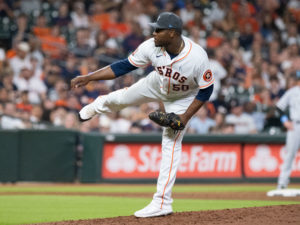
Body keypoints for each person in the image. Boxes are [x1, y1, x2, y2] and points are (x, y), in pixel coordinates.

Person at [71, 12, 214, 217]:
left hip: (183, 98)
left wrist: (185, 117)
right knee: (122, 99)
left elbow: (206, 90)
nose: (154, 32)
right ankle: (99, 105)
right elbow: (123, 66)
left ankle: (162, 202)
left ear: (172, 33)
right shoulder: (151, 46)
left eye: (158, 29)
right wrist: (89, 77)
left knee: (171, 143)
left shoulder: (197, 56)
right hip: (157, 83)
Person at [276, 71, 300, 190]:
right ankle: (282, 183)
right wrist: (285, 120)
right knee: (290, 153)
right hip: (295, 125)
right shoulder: (292, 92)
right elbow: (279, 107)